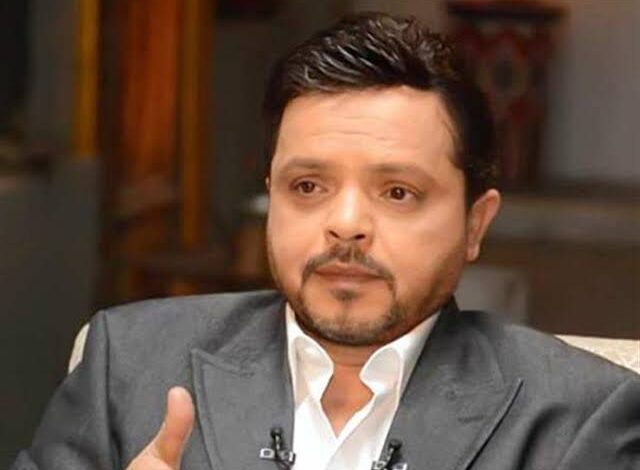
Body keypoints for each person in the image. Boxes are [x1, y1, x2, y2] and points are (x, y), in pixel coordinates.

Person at [12, 12, 640, 470]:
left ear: (475, 224)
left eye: (398, 192)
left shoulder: (580, 417)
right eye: (308, 186)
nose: (345, 224)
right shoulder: (129, 363)